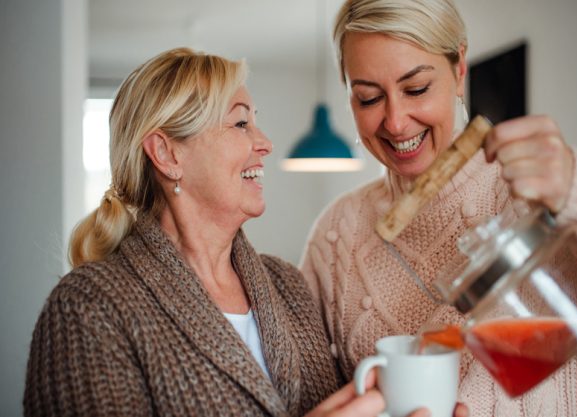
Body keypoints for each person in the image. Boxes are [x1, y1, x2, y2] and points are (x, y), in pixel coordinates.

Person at [23, 47, 397, 417]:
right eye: (240, 124)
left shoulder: (287, 286)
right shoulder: (88, 307)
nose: (265, 142)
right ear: (167, 155)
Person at [300, 1, 577, 416]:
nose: (396, 122)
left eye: (416, 88)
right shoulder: (336, 235)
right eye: (368, 98)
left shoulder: (541, 199)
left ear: (459, 70)